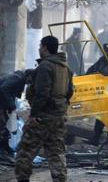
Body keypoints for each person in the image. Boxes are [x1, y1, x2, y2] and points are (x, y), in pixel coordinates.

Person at [15, 36, 73, 182]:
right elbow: (69, 92)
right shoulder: (66, 68)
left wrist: (34, 115)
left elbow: (42, 93)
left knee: (25, 152)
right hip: (59, 117)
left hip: (43, 117)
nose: (39, 49)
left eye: (40, 46)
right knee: (56, 152)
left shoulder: (45, 66)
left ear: (45, 48)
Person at [0, 70, 33, 155]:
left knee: (6, 123)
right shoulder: (17, 78)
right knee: (2, 123)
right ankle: (1, 149)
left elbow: (12, 95)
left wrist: (13, 112)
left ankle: (5, 146)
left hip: (3, 103)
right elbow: (4, 89)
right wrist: (11, 105)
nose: (31, 82)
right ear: (28, 76)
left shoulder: (20, 80)